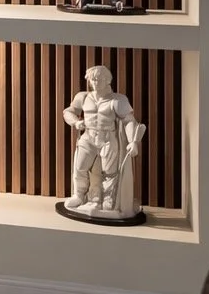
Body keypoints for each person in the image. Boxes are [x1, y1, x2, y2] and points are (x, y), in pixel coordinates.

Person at [62, 65, 146, 217]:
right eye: (92, 79)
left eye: (98, 79)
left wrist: (133, 142)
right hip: (88, 137)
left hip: (108, 138)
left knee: (110, 172)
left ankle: (108, 199)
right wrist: (76, 122)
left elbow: (129, 121)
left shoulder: (118, 99)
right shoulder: (83, 97)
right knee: (80, 167)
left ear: (108, 80)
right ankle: (79, 195)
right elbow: (68, 112)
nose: (94, 82)